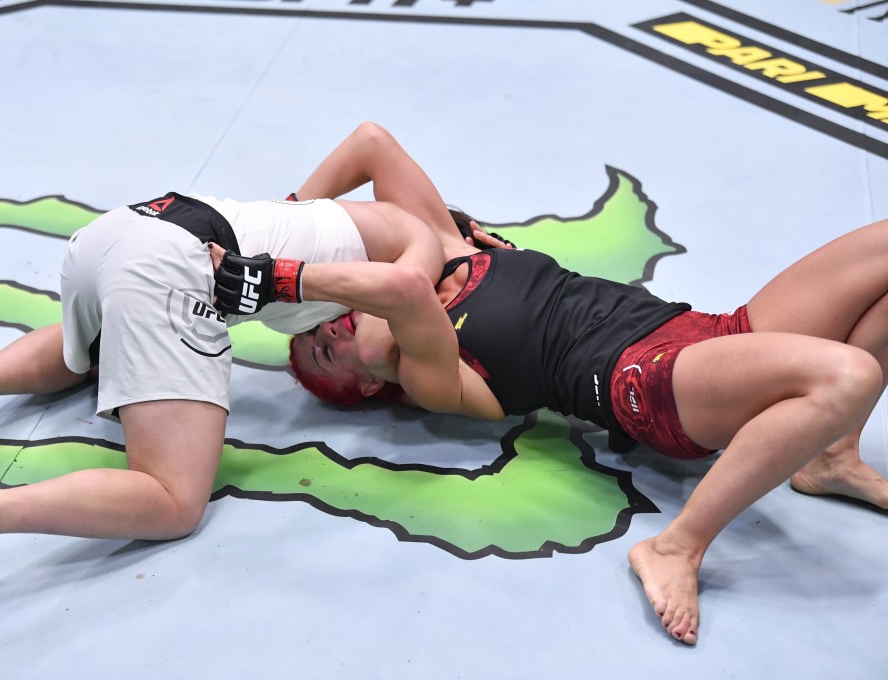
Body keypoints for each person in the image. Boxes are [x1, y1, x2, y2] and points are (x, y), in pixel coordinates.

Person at [209, 122, 888, 646]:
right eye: (322, 357)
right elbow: (404, 293)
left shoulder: (449, 252)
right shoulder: (426, 369)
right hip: (646, 384)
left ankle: (831, 457)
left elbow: (371, 144)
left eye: (317, 328)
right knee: (848, 375)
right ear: (361, 388)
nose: (326, 335)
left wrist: (283, 222)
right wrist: (275, 274)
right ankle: (675, 547)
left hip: (709, 333)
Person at [0, 185, 446, 611]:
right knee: (174, 499)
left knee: (102, 353)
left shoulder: (339, 219)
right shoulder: (419, 247)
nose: (330, 334)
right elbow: (400, 306)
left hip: (120, 230)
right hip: (172, 264)